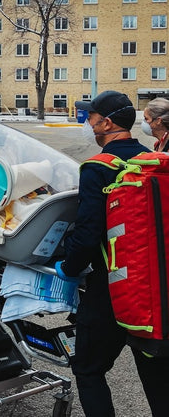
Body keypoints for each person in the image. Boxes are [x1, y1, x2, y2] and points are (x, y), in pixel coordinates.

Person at [55, 90, 169, 416]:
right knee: (156, 371)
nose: (87, 123)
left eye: (90, 118)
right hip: (156, 287)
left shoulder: (97, 167)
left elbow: (89, 232)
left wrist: (70, 265)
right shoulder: (152, 161)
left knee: (88, 369)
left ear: (106, 123)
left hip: (112, 289)